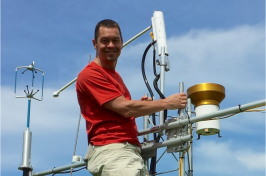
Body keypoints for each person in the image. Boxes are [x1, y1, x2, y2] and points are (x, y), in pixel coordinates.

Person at [76, 19, 187, 176]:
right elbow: (125, 108)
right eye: (104, 41)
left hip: (127, 153)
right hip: (112, 152)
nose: (110, 45)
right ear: (95, 44)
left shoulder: (115, 76)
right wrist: (167, 103)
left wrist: (141, 106)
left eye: (115, 40)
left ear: (122, 42)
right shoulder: (91, 74)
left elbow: (122, 108)